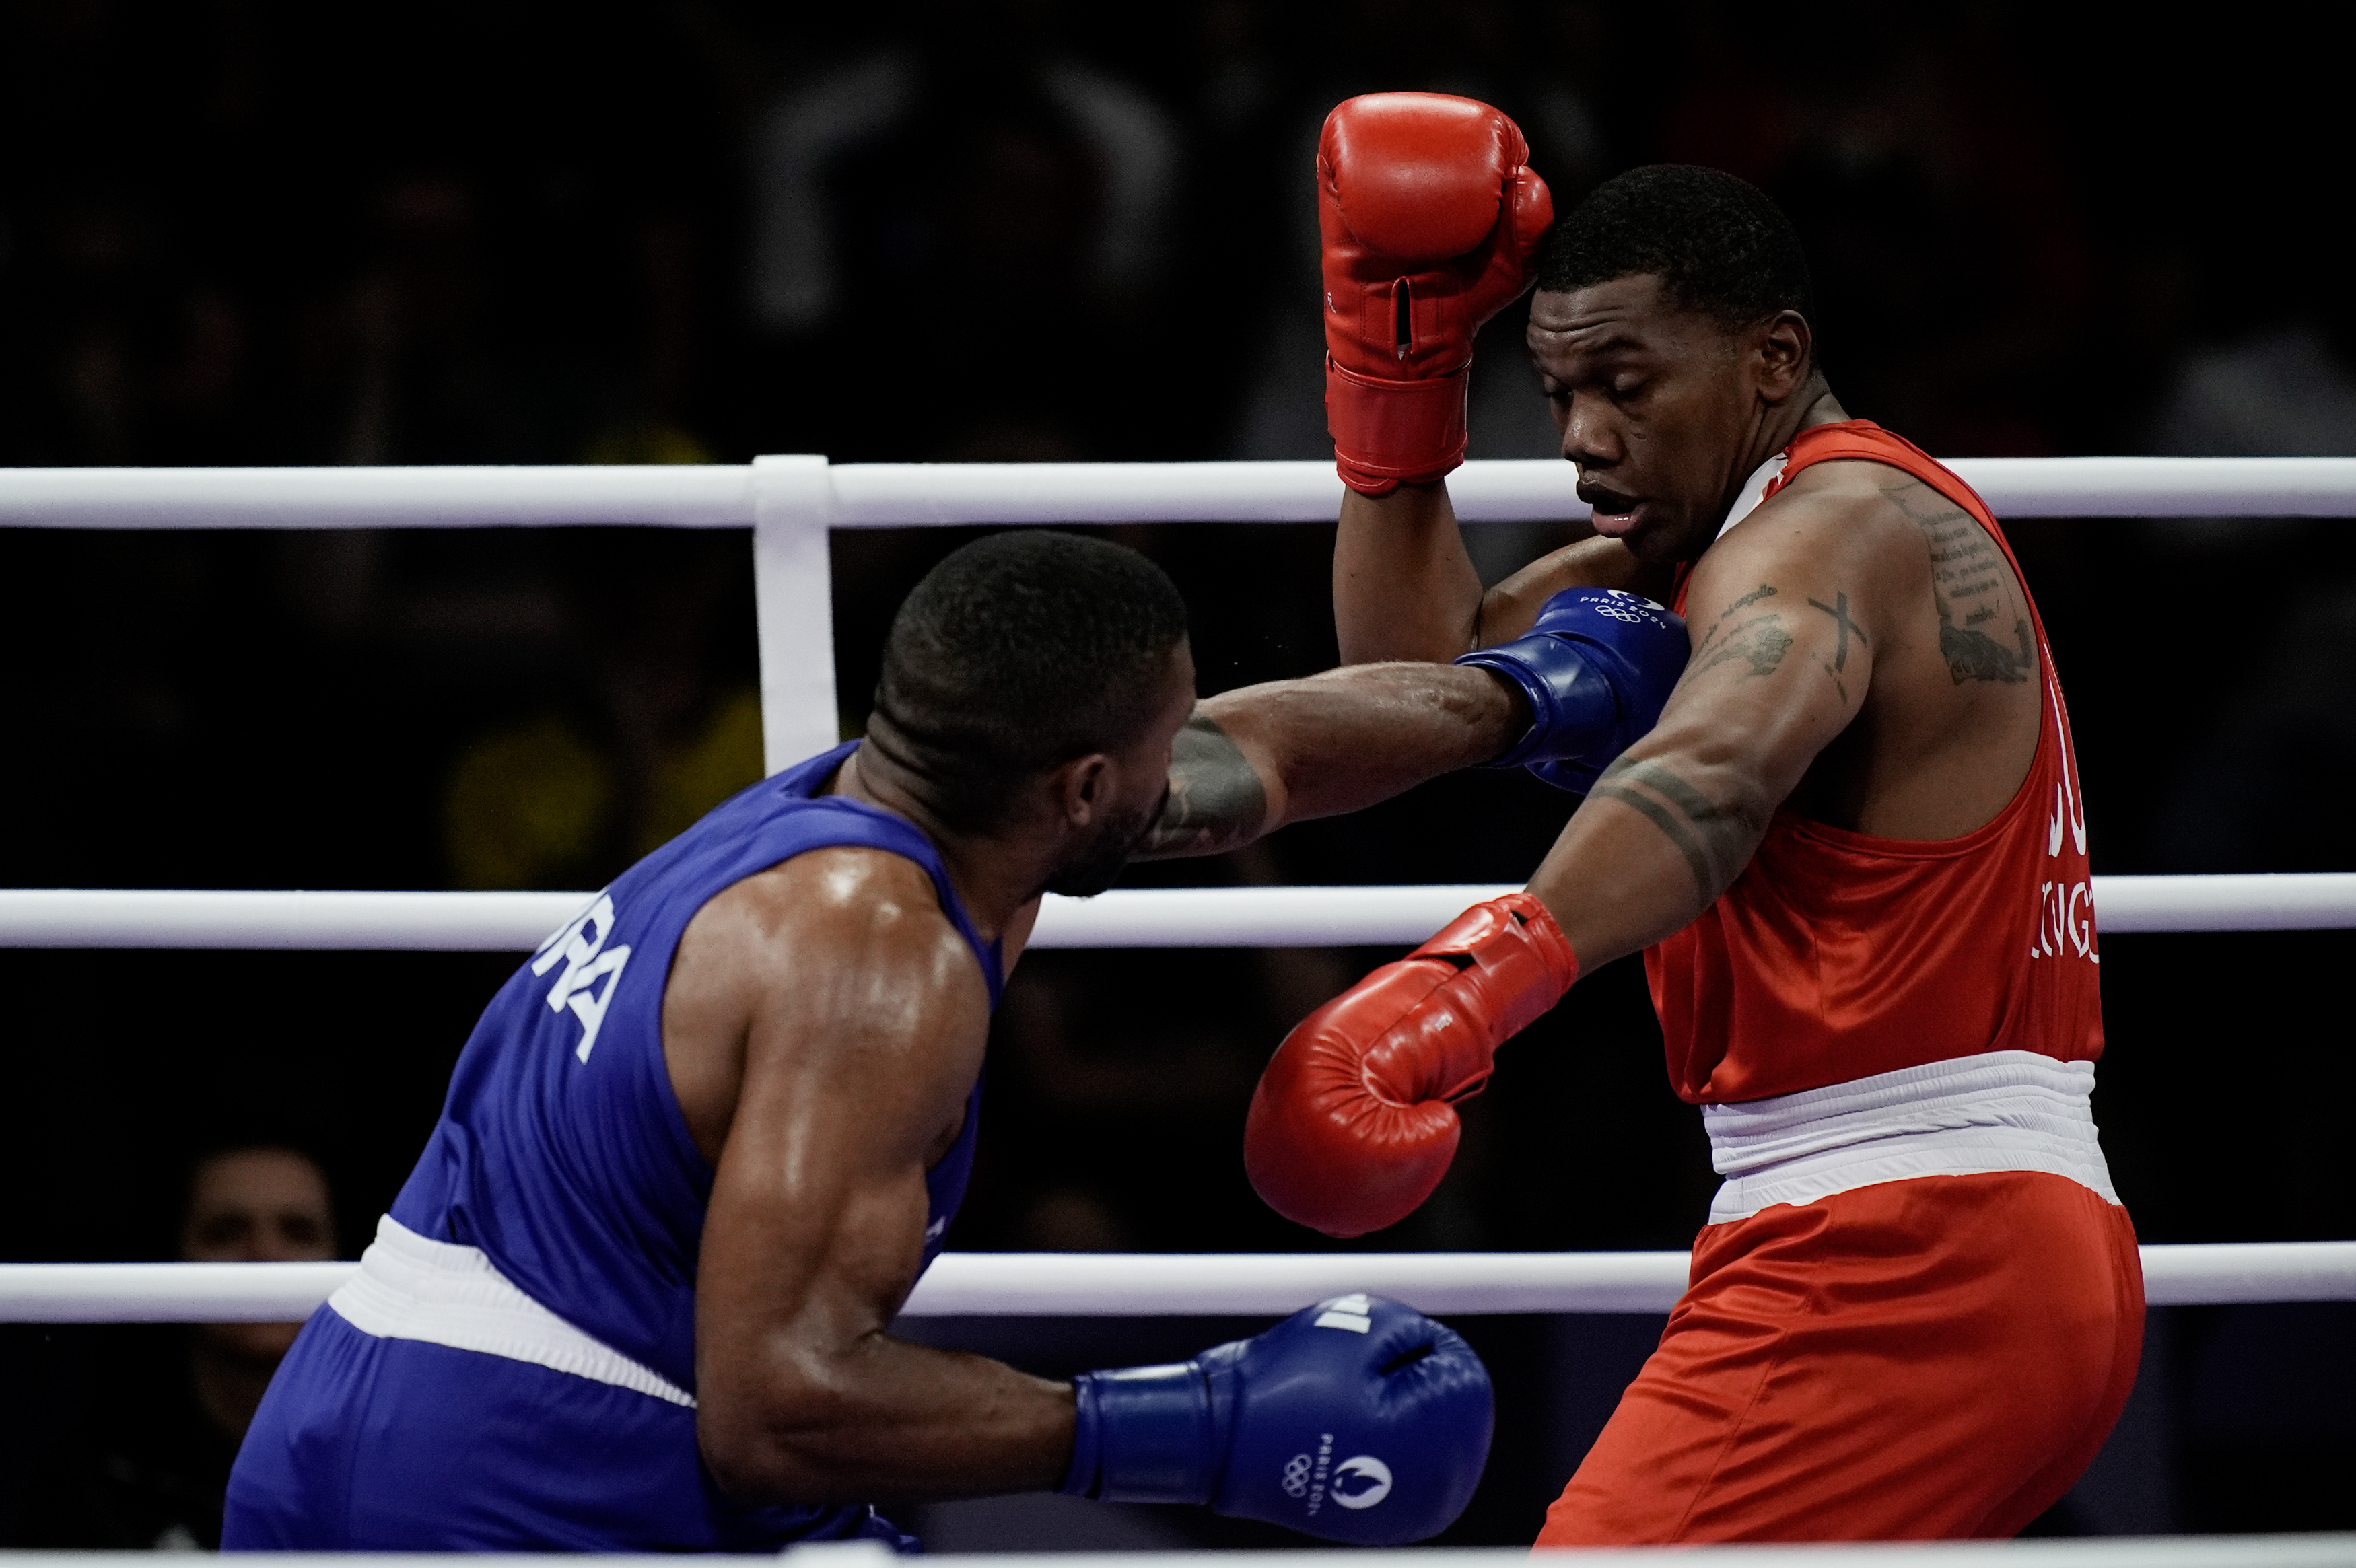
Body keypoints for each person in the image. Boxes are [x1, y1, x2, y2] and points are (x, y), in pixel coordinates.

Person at [224, 527, 1688, 1551]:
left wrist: (1516, 700)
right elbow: (781, 1405)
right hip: (514, 1484)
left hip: (384, 1424)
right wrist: (1199, 1423)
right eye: (1160, 734)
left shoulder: (874, 804)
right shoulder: (878, 965)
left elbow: (1270, 754)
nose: (1191, 750)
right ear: (1080, 784)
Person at [1245, 94, 2137, 1542]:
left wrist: (1464, 985)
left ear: (1772, 357)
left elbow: (1712, 777)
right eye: (1558, 394)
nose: (1584, 437)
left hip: (1908, 1251)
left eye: (1628, 384)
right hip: (1932, 1232)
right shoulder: (1718, 539)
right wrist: (1399, 393)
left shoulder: (1826, 537)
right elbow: (1428, 686)